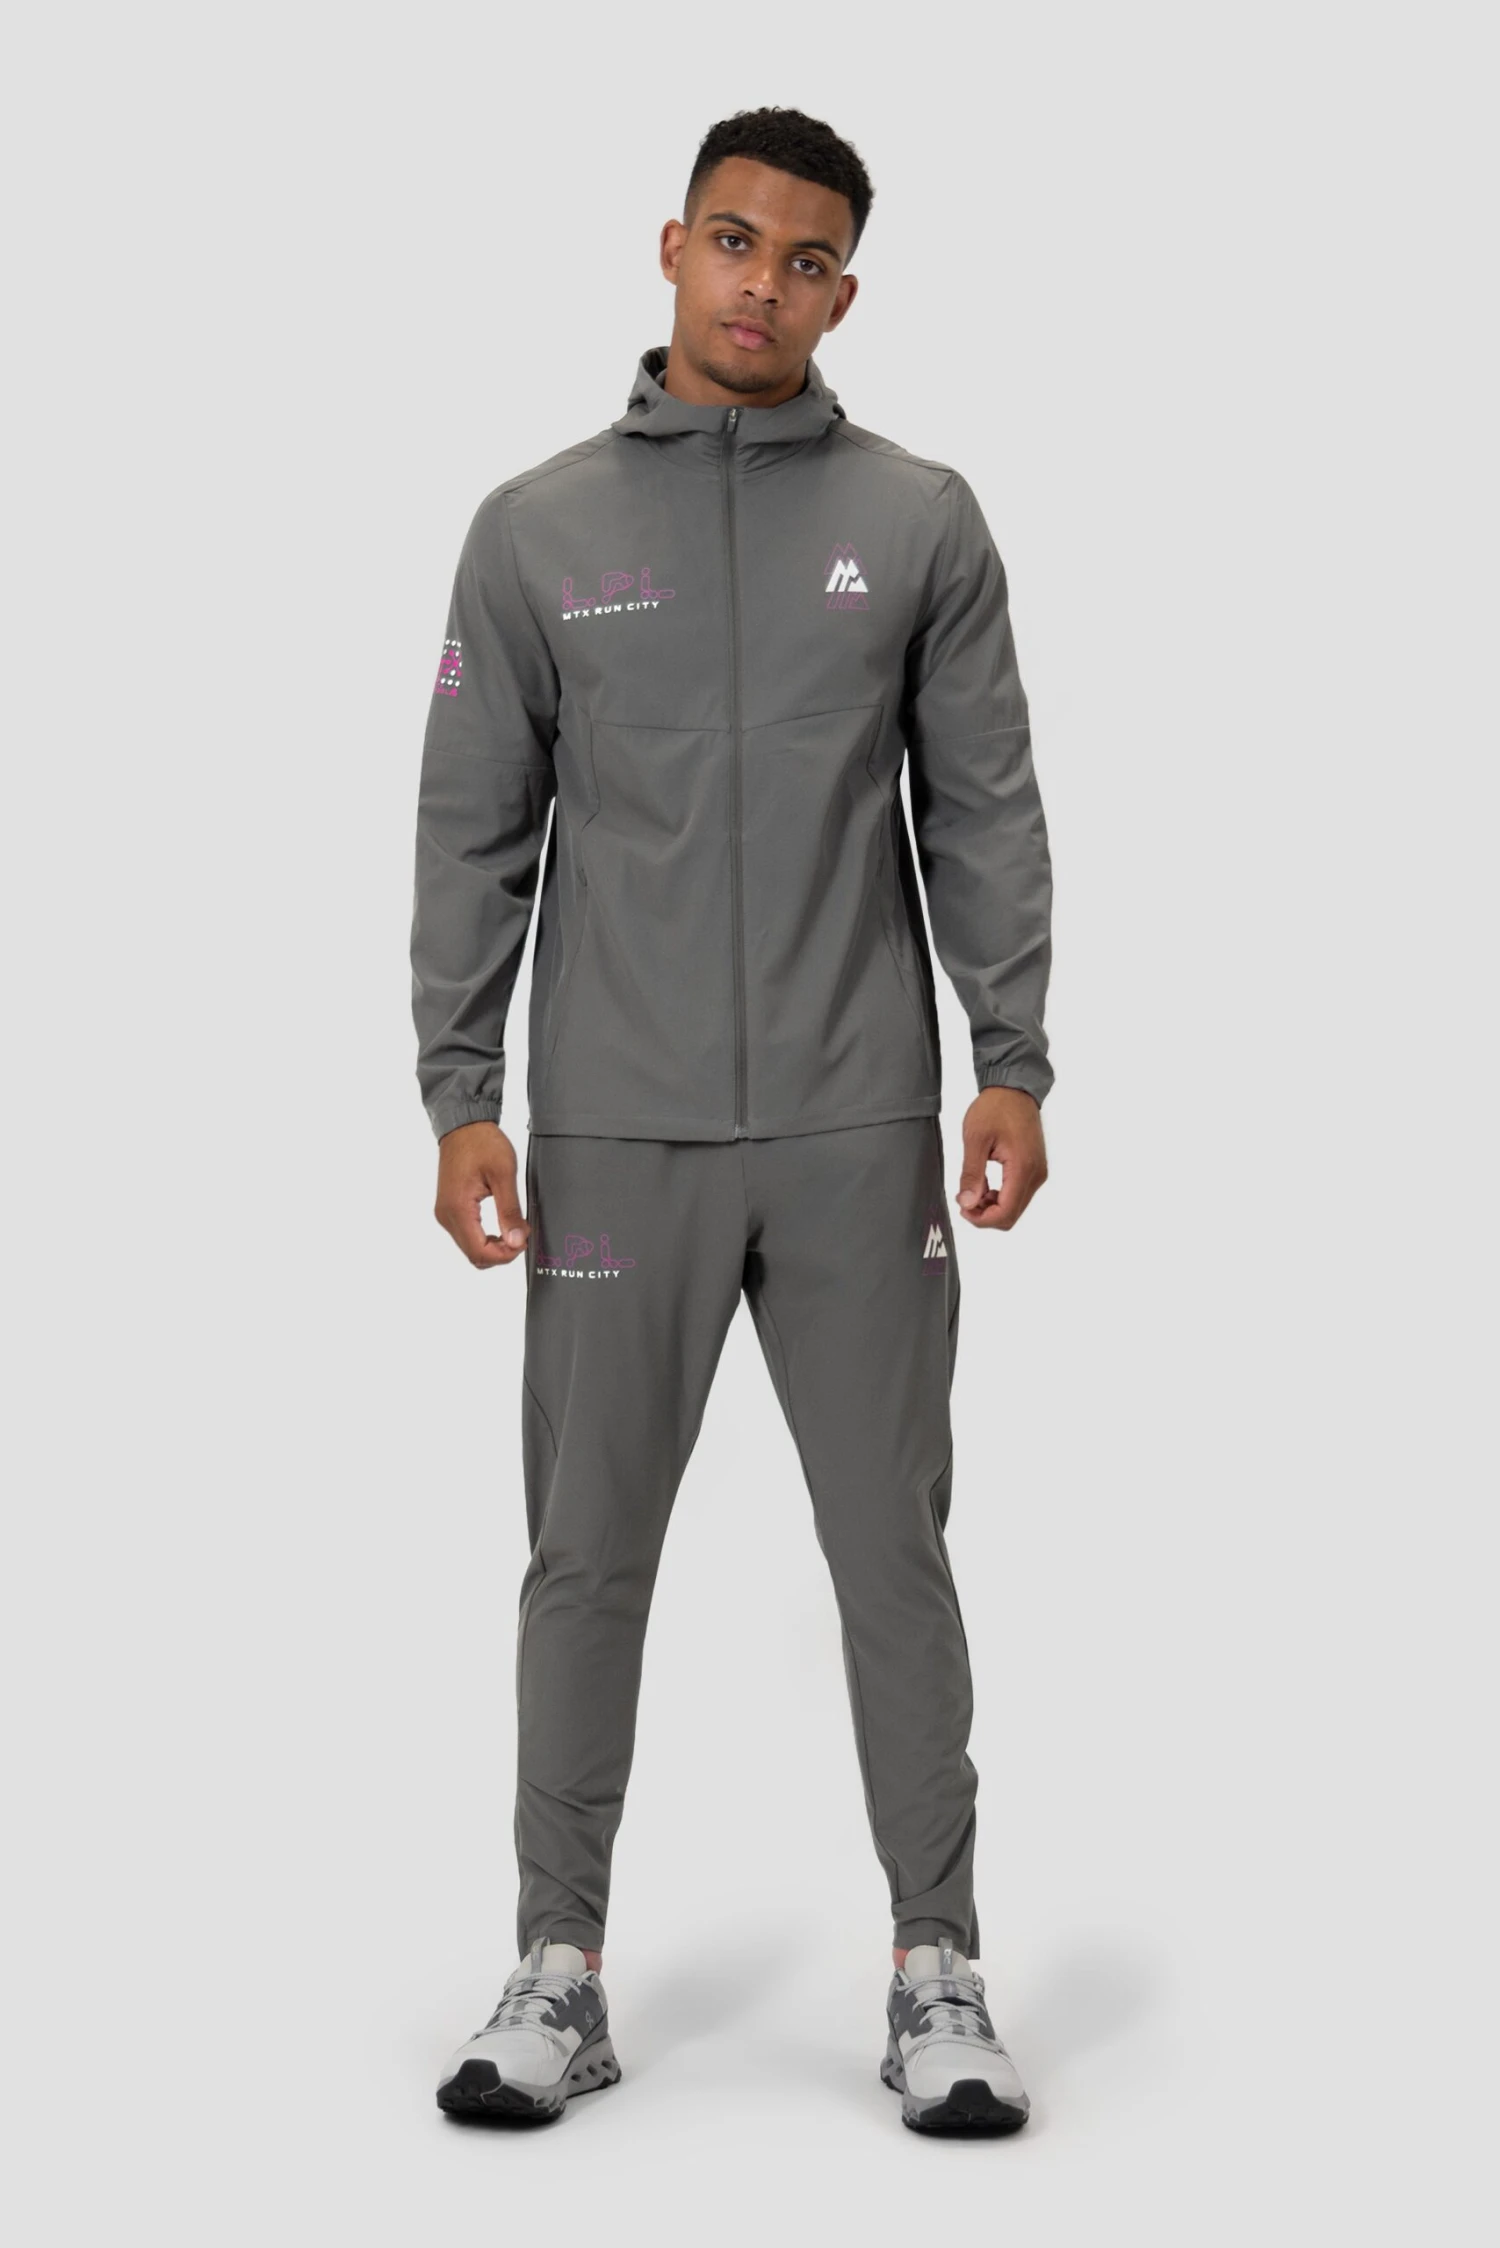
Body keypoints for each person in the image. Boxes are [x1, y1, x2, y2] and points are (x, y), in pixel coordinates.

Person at [411, 105, 1053, 2137]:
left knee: (892, 1554)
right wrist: (461, 1093)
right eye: (734, 240)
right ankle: (558, 1963)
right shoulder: (535, 529)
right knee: (584, 1554)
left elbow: (983, 803)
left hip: (862, 1126)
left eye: (805, 258)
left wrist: (1012, 1058)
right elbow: (473, 829)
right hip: (615, 1131)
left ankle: (937, 1966)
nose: (762, 283)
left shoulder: (923, 519)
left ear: (846, 291)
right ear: (672, 245)